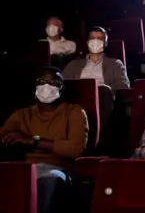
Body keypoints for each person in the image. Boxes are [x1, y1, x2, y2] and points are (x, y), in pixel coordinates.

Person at [0, 66, 89, 213]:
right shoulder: (23, 114)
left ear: (61, 88)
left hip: (58, 169)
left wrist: (33, 141)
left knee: (49, 180)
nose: (46, 86)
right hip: (25, 169)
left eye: (53, 82)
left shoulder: (75, 112)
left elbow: (75, 149)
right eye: (42, 81)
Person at [63, 26, 130, 92]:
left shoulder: (115, 64)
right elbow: (62, 84)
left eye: (100, 39)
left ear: (105, 43)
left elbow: (124, 86)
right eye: (92, 38)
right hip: (80, 98)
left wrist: (104, 90)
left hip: (103, 97)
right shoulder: (74, 64)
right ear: (87, 42)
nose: (95, 41)